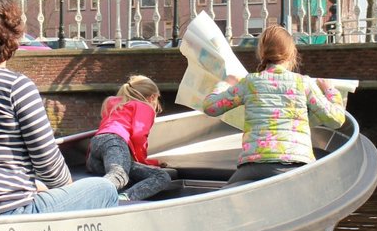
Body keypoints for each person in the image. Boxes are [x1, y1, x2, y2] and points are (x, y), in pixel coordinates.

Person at [0, 0, 119, 216]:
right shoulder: (17, 87)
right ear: (11, 37)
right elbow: (49, 165)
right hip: (5, 211)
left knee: (41, 188)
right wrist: (68, 191)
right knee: (104, 189)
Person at [202, 25, 346, 187]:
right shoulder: (302, 83)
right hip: (296, 165)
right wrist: (330, 91)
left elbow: (210, 107)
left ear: (262, 53)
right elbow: (336, 119)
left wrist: (225, 83)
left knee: (225, 197)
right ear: (292, 53)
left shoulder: (250, 82)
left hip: (254, 165)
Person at [87, 75, 172, 203]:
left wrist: (151, 163)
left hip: (95, 149)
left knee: (124, 171)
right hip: (115, 143)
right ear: (152, 97)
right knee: (159, 177)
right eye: (157, 99)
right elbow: (138, 136)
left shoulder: (114, 103)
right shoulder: (144, 107)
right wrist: (144, 162)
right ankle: (118, 198)